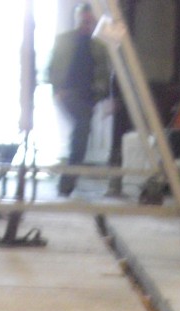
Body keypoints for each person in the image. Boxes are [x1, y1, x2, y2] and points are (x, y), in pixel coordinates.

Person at [46, 3, 111, 196]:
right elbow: (53, 67)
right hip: (69, 93)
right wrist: (58, 89)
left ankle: (68, 181)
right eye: (84, 20)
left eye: (89, 21)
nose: (86, 24)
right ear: (78, 19)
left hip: (89, 96)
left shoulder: (99, 45)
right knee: (82, 128)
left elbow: (104, 72)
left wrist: (102, 96)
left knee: (81, 134)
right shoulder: (64, 41)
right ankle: (67, 182)